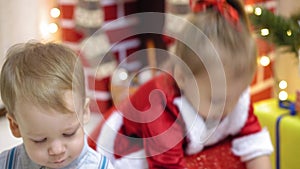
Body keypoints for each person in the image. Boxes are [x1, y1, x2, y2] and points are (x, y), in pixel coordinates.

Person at [88, 0, 274, 168]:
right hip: (126, 147)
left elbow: (254, 141)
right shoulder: (162, 111)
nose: (227, 110)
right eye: (216, 100)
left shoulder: (228, 95)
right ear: (182, 78)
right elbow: (166, 165)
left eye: (236, 96)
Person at [0, 42, 114, 169]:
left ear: (85, 112)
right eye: (40, 140)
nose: (57, 150)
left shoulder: (100, 167)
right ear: (15, 126)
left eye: (68, 134)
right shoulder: (7, 163)